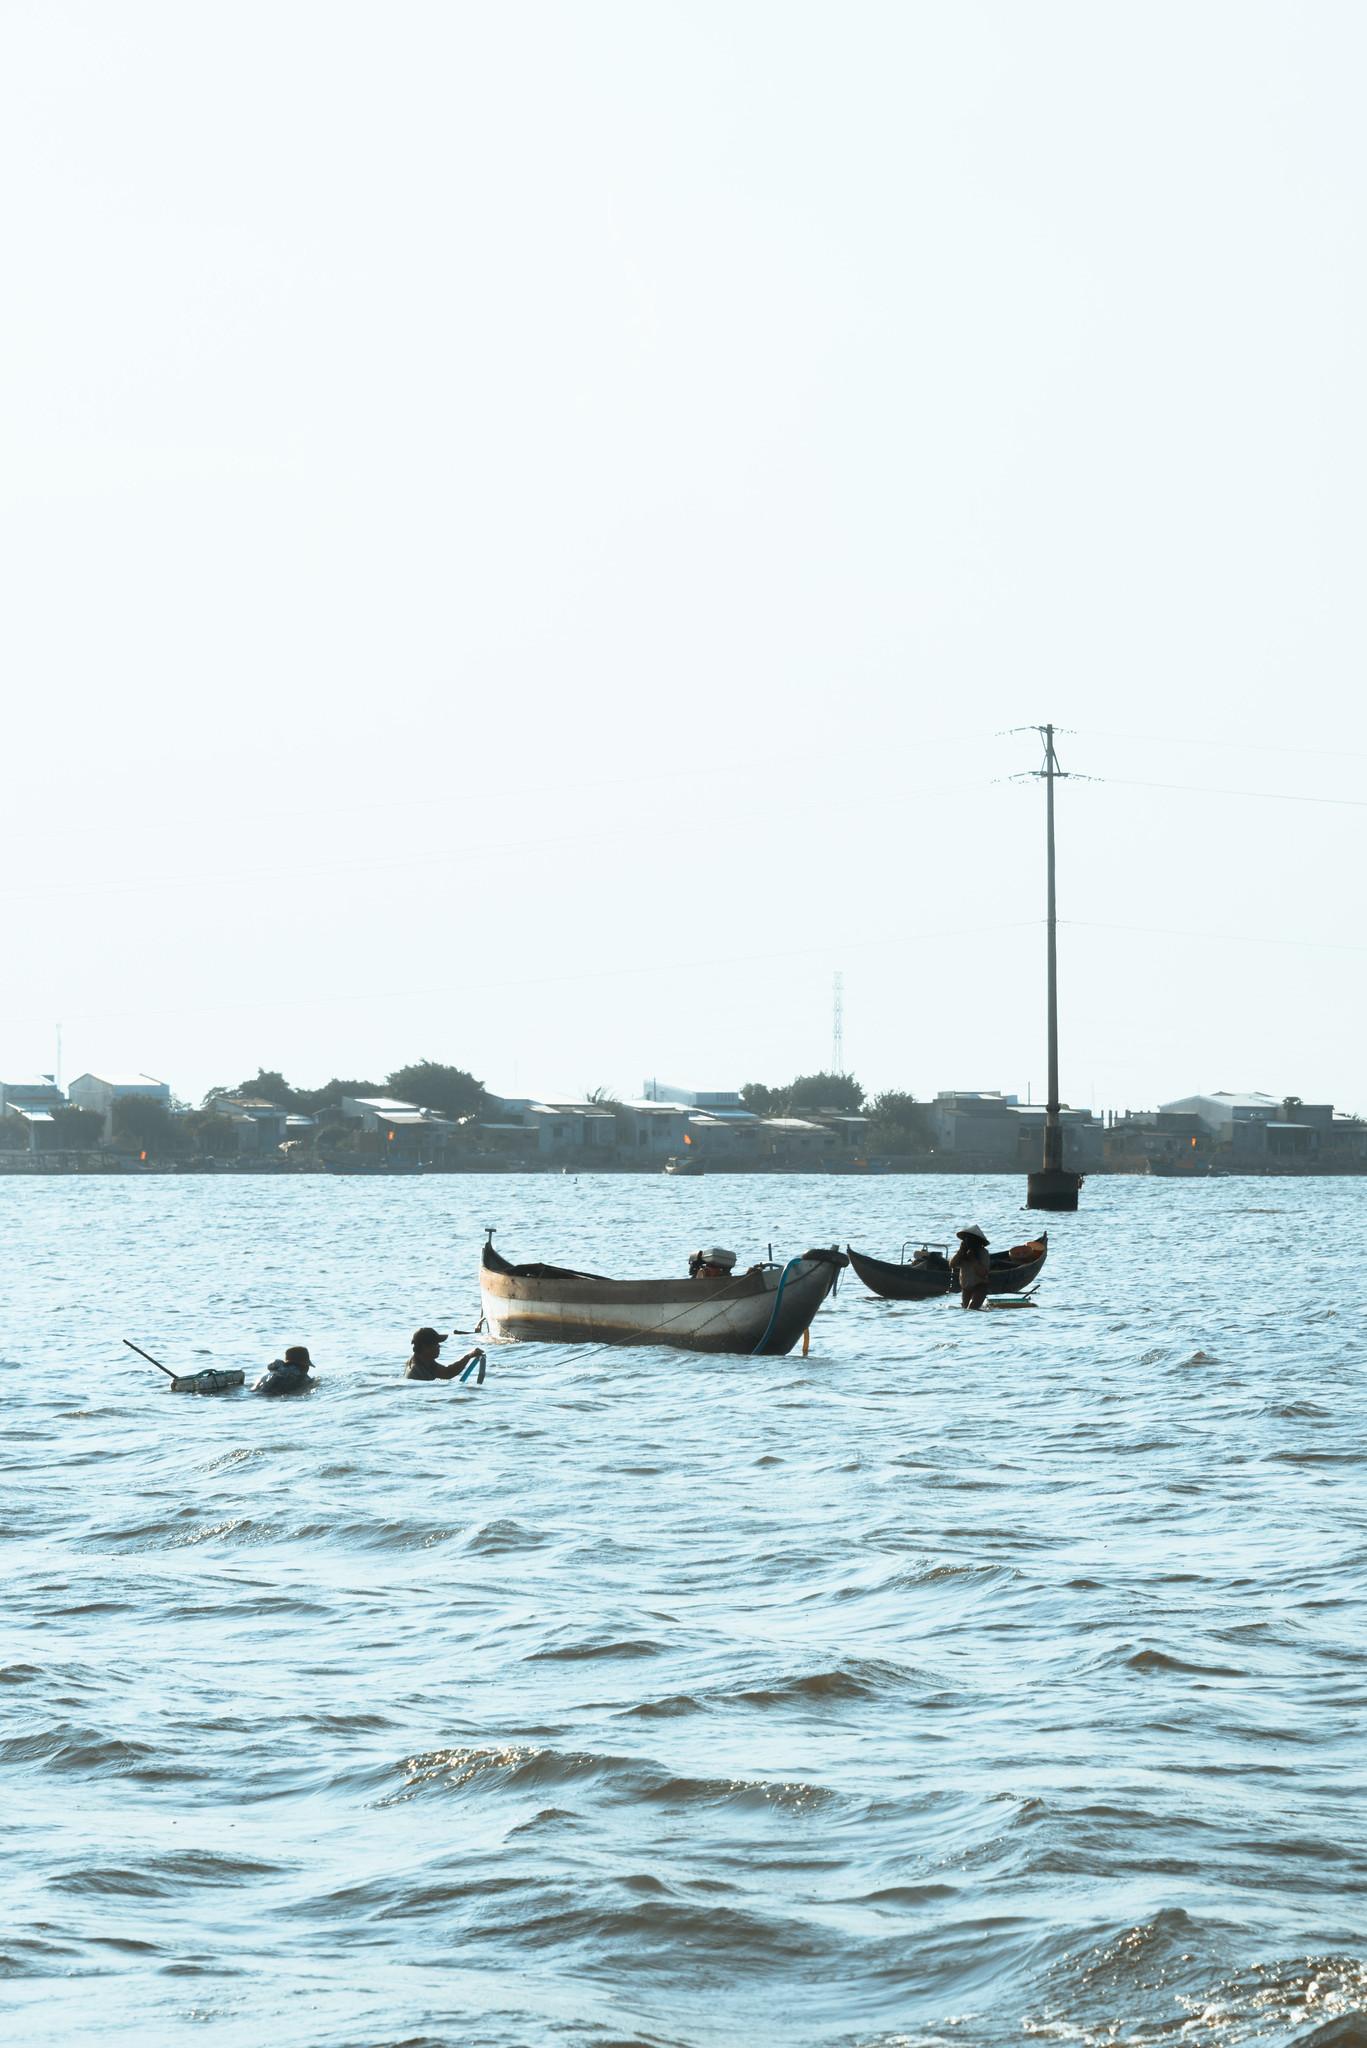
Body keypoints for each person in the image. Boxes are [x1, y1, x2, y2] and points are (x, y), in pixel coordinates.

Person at [406, 1327, 485, 1381]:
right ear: (425, 1347)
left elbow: (447, 1372)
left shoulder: (423, 1360)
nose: (439, 1346)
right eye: (436, 1344)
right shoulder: (418, 1372)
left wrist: (469, 1356)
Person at [948, 1226, 992, 1310]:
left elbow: (983, 1273)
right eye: (966, 1240)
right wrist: (961, 1252)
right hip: (966, 1288)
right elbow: (952, 1264)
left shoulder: (983, 1253)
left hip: (979, 1286)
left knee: (972, 1309)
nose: (968, 1242)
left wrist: (973, 1259)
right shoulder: (962, 1253)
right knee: (966, 1310)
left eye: (971, 1240)